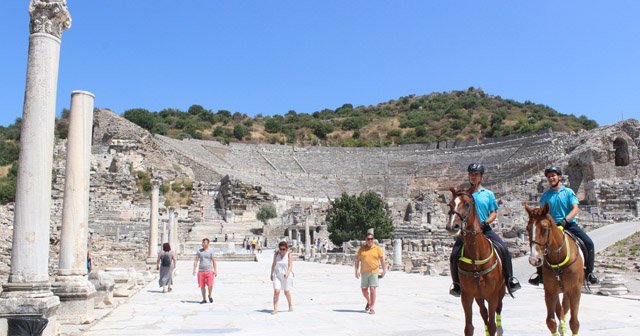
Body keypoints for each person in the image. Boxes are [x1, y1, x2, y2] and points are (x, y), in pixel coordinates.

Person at [449, 163, 521, 297]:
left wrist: (485, 222)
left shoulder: (488, 194)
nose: (473, 176)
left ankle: (510, 280)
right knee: (454, 255)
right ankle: (457, 285)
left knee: (504, 249)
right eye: (471, 174)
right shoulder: (464, 194)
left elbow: (493, 212)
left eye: (476, 174)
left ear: (481, 176)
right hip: (467, 232)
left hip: (484, 229)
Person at [528, 165, 599, 285]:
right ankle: (540, 274)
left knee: (588, 243)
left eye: (553, 176)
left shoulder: (568, 192)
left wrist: (566, 220)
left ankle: (590, 272)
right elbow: (542, 212)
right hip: (551, 227)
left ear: (559, 177)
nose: (551, 178)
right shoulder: (545, 196)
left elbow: (575, 208)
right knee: (538, 245)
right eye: (549, 177)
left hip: (569, 224)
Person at [355, 232, 386, 315]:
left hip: (374, 272)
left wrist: (384, 270)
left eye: (371, 239)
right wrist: (356, 270)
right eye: (368, 239)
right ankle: (368, 301)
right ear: (366, 240)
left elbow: (382, 260)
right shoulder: (362, 249)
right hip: (364, 272)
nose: (370, 240)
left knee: (372, 289)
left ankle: (372, 307)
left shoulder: (377, 249)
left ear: (373, 240)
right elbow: (357, 260)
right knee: (364, 290)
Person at [270, 241, 293, 314]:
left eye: (284, 249)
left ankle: (290, 305)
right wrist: (271, 273)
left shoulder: (289, 255)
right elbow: (273, 264)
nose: (282, 251)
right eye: (281, 249)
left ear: (286, 249)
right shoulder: (276, 254)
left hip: (286, 276)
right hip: (277, 275)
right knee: (276, 291)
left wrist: (287, 273)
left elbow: (290, 266)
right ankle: (275, 308)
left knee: (286, 292)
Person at [193, 238, 218, 303]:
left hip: (209, 270)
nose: (203, 244)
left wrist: (215, 270)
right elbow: (196, 260)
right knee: (202, 286)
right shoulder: (199, 251)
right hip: (201, 271)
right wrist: (194, 269)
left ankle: (209, 295)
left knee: (210, 285)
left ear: (208, 243)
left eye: (204, 243)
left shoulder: (211, 251)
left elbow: (214, 261)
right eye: (202, 242)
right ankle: (204, 299)